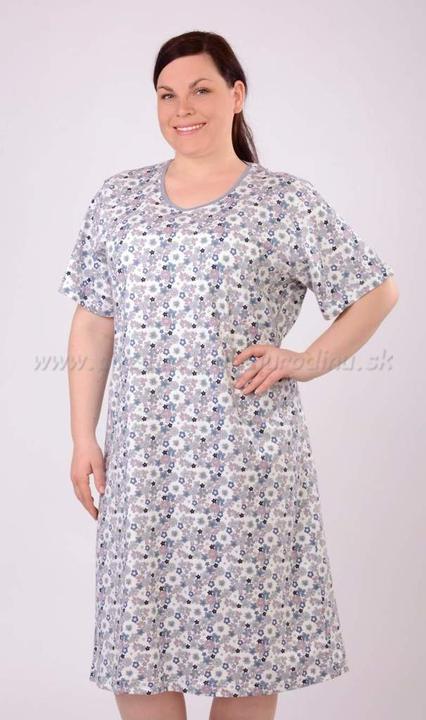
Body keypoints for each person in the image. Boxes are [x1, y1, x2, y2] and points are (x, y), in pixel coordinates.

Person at [58, 29, 399, 720]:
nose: (183, 108)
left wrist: (304, 360)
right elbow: (94, 321)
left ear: (237, 95)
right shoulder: (118, 199)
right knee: (138, 648)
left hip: (246, 466)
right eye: (167, 95)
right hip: (146, 465)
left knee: (247, 655)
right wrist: (83, 436)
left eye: (201, 90)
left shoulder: (284, 201)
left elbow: (375, 292)